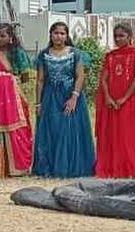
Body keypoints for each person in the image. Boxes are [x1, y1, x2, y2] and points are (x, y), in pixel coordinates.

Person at [32, 21, 96, 178]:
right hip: (50, 97)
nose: (59, 36)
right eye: (56, 33)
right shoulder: (44, 54)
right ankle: (50, 167)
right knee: (51, 129)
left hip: (70, 95)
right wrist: (38, 102)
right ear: (51, 35)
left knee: (69, 130)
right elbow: (40, 80)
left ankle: (69, 168)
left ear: (67, 36)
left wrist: (74, 96)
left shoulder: (75, 53)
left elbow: (80, 76)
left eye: (62, 33)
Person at [0, 23, 35, 178]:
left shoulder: (17, 54)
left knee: (15, 126)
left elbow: (25, 76)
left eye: (3, 35)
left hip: (12, 92)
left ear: (11, 37)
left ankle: (17, 167)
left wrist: (14, 84)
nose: (0, 39)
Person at [95, 23, 135, 178]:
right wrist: (108, 97)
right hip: (111, 101)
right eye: (116, 36)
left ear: (130, 37)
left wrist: (124, 98)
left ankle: (128, 166)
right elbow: (104, 79)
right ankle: (113, 166)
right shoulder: (110, 56)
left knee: (127, 134)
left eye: (121, 36)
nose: (118, 39)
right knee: (112, 134)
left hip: (130, 100)